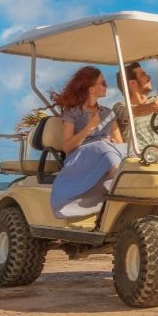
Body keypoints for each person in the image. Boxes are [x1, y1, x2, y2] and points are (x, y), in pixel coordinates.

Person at [49, 66, 125, 219]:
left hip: (106, 153)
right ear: (91, 89)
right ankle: (120, 189)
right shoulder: (72, 113)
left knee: (129, 150)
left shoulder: (108, 113)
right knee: (102, 148)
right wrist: (88, 129)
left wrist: (112, 142)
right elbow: (67, 147)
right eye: (103, 83)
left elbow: (120, 143)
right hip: (81, 155)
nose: (106, 86)